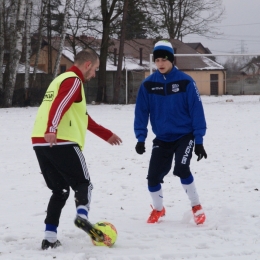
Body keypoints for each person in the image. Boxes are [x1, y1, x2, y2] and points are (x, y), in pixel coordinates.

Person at [31, 48, 122, 250]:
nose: (95, 74)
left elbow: (82, 117)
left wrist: (106, 134)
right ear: (87, 65)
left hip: (40, 142)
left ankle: (49, 238)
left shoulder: (60, 80)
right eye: (95, 69)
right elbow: (60, 104)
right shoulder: (74, 80)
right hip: (61, 140)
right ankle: (82, 217)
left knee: (60, 190)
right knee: (84, 184)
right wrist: (52, 128)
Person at [134, 40, 207, 225]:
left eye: (164, 59)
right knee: (152, 178)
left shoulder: (186, 82)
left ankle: (196, 206)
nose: (160, 63)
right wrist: (140, 138)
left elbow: (197, 111)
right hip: (162, 138)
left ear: (171, 60)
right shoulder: (148, 85)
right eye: (157, 60)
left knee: (182, 169)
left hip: (185, 135)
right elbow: (141, 112)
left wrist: (198, 140)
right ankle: (159, 209)